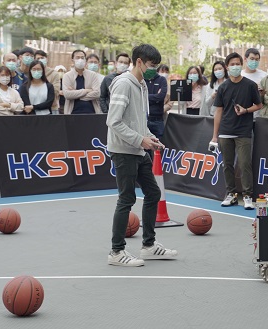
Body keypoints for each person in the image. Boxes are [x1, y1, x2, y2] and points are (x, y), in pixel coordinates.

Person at [106, 43, 177, 267]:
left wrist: (150, 138)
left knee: (153, 193)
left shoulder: (142, 85)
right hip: (123, 150)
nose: (153, 69)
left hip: (137, 149)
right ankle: (116, 252)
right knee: (126, 199)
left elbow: (138, 120)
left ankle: (148, 246)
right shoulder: (124, 84)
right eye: (151, 65)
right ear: (138, 62)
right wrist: (140, 140)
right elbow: (113, 121)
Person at [211, 52, 263, 210]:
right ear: (227, 67)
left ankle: (247, 196)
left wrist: (246, 110)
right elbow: (218, 111)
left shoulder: (250, 85)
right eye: (232, 64)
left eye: (237, 64)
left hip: (244, 131)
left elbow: (259, 105)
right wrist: (215, 136)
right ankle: (231, 194)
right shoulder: (223, 87)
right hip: (225, 131)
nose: (235, 66)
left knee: (244, 163)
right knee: (227, 164)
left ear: (242, 65)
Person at [63, 49, 102, 114]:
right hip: (73, 113)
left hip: (91, 112)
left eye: (82, 58)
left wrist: (75, 94)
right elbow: (67, 95)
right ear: (73, 60)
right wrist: (86, 90)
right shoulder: (67, 76)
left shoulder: (92, 75)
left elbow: (97, 93)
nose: (80, 60)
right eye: (77, 58)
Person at [35, 50, 61, 115]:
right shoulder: (33, 74)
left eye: (42, 58)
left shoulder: (54, 74)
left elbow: (55, 91)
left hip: (52, 108)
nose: (40, 60)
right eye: (38, 58)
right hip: (35, 107)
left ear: (47, 59)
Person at [146, 60, 167, 137]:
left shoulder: (162, 80)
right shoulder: (142, 80)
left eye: (153, 65)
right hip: (144, 118)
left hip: (158, 119)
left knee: (159, 145)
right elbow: (139, 96)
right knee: (144, 147)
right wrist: (155, 97)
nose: (151, 68)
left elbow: (161, 97)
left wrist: (147, 97)